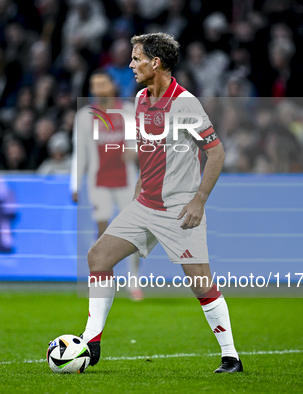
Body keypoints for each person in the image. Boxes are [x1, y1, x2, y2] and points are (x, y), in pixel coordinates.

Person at [79, 33, 242, 373]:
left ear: (155, 63)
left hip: (179, 208)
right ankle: (91, 341)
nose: (130, 65)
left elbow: (216, 153)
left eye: (136, 58)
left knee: (200, 282)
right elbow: (148, 150)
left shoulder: (185, 103)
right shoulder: (140, 98)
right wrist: (139, 188)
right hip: (144, 205)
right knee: (98, 257)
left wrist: (198, 201)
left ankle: (231, 356)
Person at [71, 69, 143, 300]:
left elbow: (140, 143)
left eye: (103, 83)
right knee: (102, 232)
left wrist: (134, 151)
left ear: (113, 86)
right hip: (98, 180)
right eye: (94, 84)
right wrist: (74, 184)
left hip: (126, 180)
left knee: (132, 232)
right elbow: (80, 153)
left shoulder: (129, 111)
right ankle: (101, 281)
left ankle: (133, 281)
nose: (99, 88)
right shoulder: (85, 116)